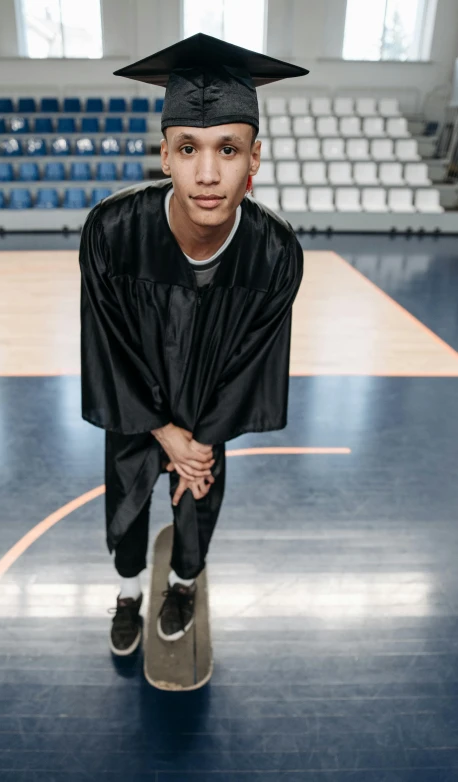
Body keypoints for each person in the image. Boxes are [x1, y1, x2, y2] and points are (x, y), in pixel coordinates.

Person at [78, 33, 308, 656]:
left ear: (254, 159)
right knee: (126, 504)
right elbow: (107, 342)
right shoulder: (112, 232)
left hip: (210, 415)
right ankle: (128, 591)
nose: (208, 173)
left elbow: (253, 361)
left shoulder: (274, 253)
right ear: (166, 156)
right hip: (136, 413)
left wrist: (199, 441)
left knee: (197, 504)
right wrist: (162, 431)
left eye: (227, 149)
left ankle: (182, 585)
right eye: (189, 149)